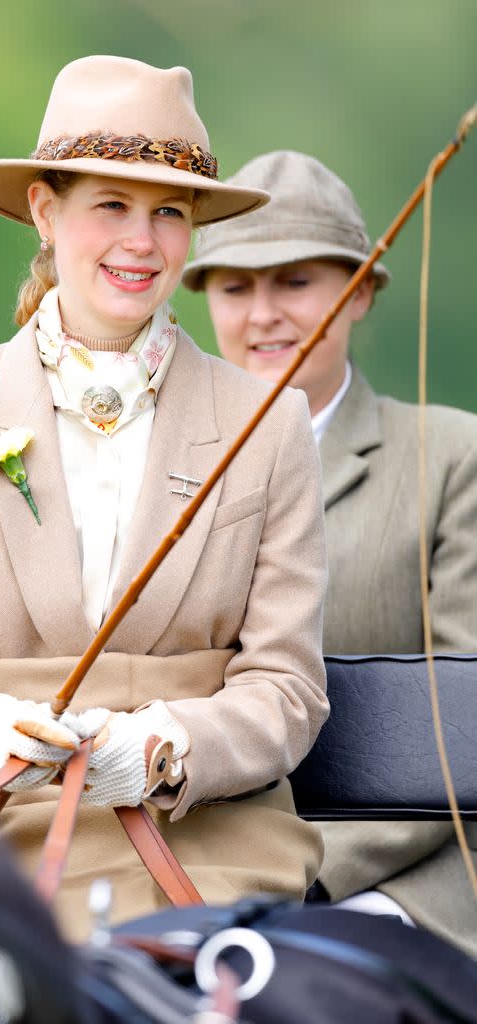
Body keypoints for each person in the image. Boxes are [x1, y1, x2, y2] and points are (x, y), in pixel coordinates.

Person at [0, 59, 330, 941]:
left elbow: (287, 687)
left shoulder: (272, 423)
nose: (141, 242)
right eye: (111, 205)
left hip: (214, 854)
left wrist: (163, 750)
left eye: (169, 214)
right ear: (45, 211)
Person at [183, 149, 477, 955]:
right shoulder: (162, 475)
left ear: (362, 293)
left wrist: (294, 876)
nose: (265, 313)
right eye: (237, 287)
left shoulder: (453, 458)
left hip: (400, 885)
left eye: (298, 282)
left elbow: (466, 726)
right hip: (191, 873)